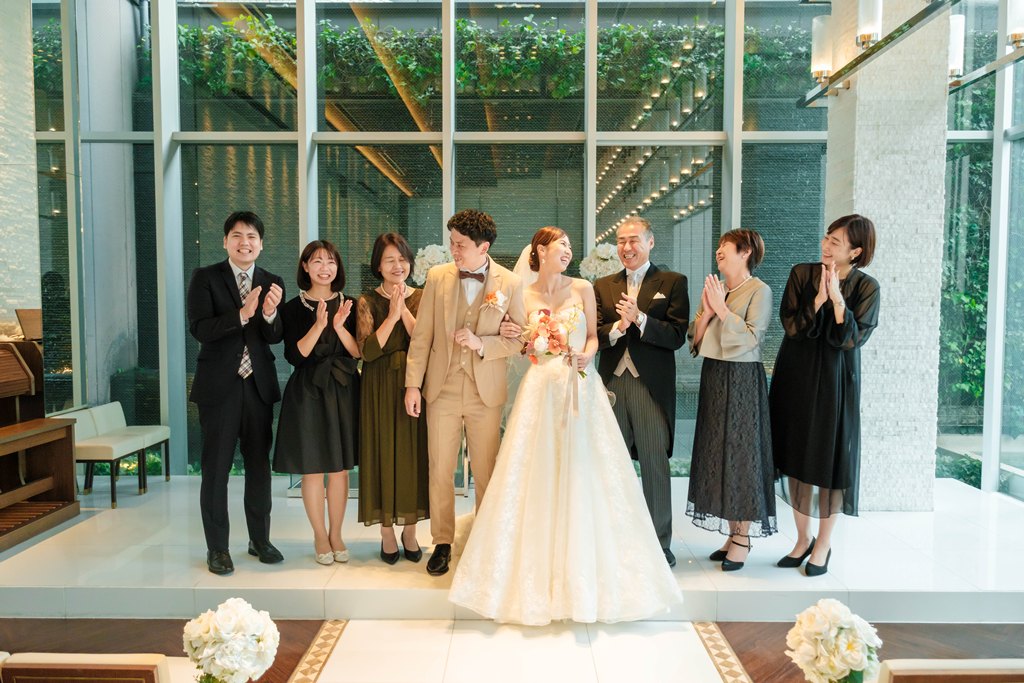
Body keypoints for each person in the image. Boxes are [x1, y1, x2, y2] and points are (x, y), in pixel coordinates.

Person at [448, 227, 683, 625]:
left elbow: (592, 337)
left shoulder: (584, 289)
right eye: (563, 246)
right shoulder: (521, 291)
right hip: (540, 388)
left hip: (579, 387)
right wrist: (522, 339)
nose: (569, 252)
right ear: (540, 250)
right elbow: (519, 341)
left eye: (571, 247)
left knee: (587, 474)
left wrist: (586, 357)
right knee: (535, 473)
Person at [404, 209, 526, 577]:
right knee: (440, 468)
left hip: (484, 392)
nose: (453, 250)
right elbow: (422, 335)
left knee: (487, 470)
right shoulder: (438, 277)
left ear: (483, 246)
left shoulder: (510, 282)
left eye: (460, 245)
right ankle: (442, 542)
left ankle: (486, 543)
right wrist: (413, 384)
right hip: (441, 388)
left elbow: (519, 339)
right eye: (452, 243)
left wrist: (481, 342)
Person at [770, 214, 880, 577]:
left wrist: (836, 301)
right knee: (796, 454)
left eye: (836, 241)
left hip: (836, 381)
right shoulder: (802, 273)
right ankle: (801, 539)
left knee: (828, 461)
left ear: (856, 251)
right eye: (826, 238)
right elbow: (790, 325)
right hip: (796, 374)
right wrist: (817, 299)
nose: (826, 245)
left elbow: (852, 339)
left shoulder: (867, 288)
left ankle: (823, 543)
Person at [187, 210, 285, 575]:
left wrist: (271, 315)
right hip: (219, 388)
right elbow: (199, 328)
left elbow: (274, 337)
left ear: (261, 243)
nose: (245, 243)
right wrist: (242, 314)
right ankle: (217, 548)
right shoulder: (206, 278)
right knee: (216, 470)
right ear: (226, 241)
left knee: (259, 468)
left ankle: (260, 540)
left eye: (252, 237)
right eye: (238, 236)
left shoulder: (272, 280)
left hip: (257, 387)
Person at [592, 217, 689, 567]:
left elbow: (678, 336)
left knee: (653, 464)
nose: (627, 247)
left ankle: (659, 543)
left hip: (650, 384)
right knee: (611, 464)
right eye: (620, 241)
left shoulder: (673, 282)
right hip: (612, 383)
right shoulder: (602, 284)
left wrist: (641, 320)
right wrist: (618, 327)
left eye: (634, 240)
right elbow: (596, 333)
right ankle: (614, 537)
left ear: (650, 242)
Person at [686, 229, 775, 571]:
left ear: (746, 252)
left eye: (725, 248)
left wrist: (722, 310)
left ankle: (743, 536)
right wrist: (708, 312)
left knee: (742, 453)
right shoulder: (717, 289)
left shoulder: (760, 291)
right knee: (716, 450)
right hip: (715, 375)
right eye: (719, 247)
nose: (719, 252)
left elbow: (753, 339)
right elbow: (696, 341)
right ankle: (731, 532)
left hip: (742, 379)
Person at [272, 240, 360, 566]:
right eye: (317, 261)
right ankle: (319, 535)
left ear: (338, 267)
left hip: (343, 388)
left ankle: (337, 533)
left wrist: (338, 326)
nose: (325, 267)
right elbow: (294, 355)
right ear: (306, 267)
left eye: (331, 261)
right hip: (308, 389)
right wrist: (320, 326)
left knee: (339, 470)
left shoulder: (351, 303)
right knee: (313, 470)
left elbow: (358, 352)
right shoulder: (293, 308)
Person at [356, 233, 429, 565]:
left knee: (413, 455)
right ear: (378, 266)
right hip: (378, 385)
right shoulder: (366, 301)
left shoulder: (424, 297)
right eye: (389, 260)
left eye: (402, 259)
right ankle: (386, 531)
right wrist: (391, 315)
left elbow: (424, 342)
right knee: (381, 454)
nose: (397, 266)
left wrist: (404, 311)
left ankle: (410, 531)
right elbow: (367, 351)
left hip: (413, 383)